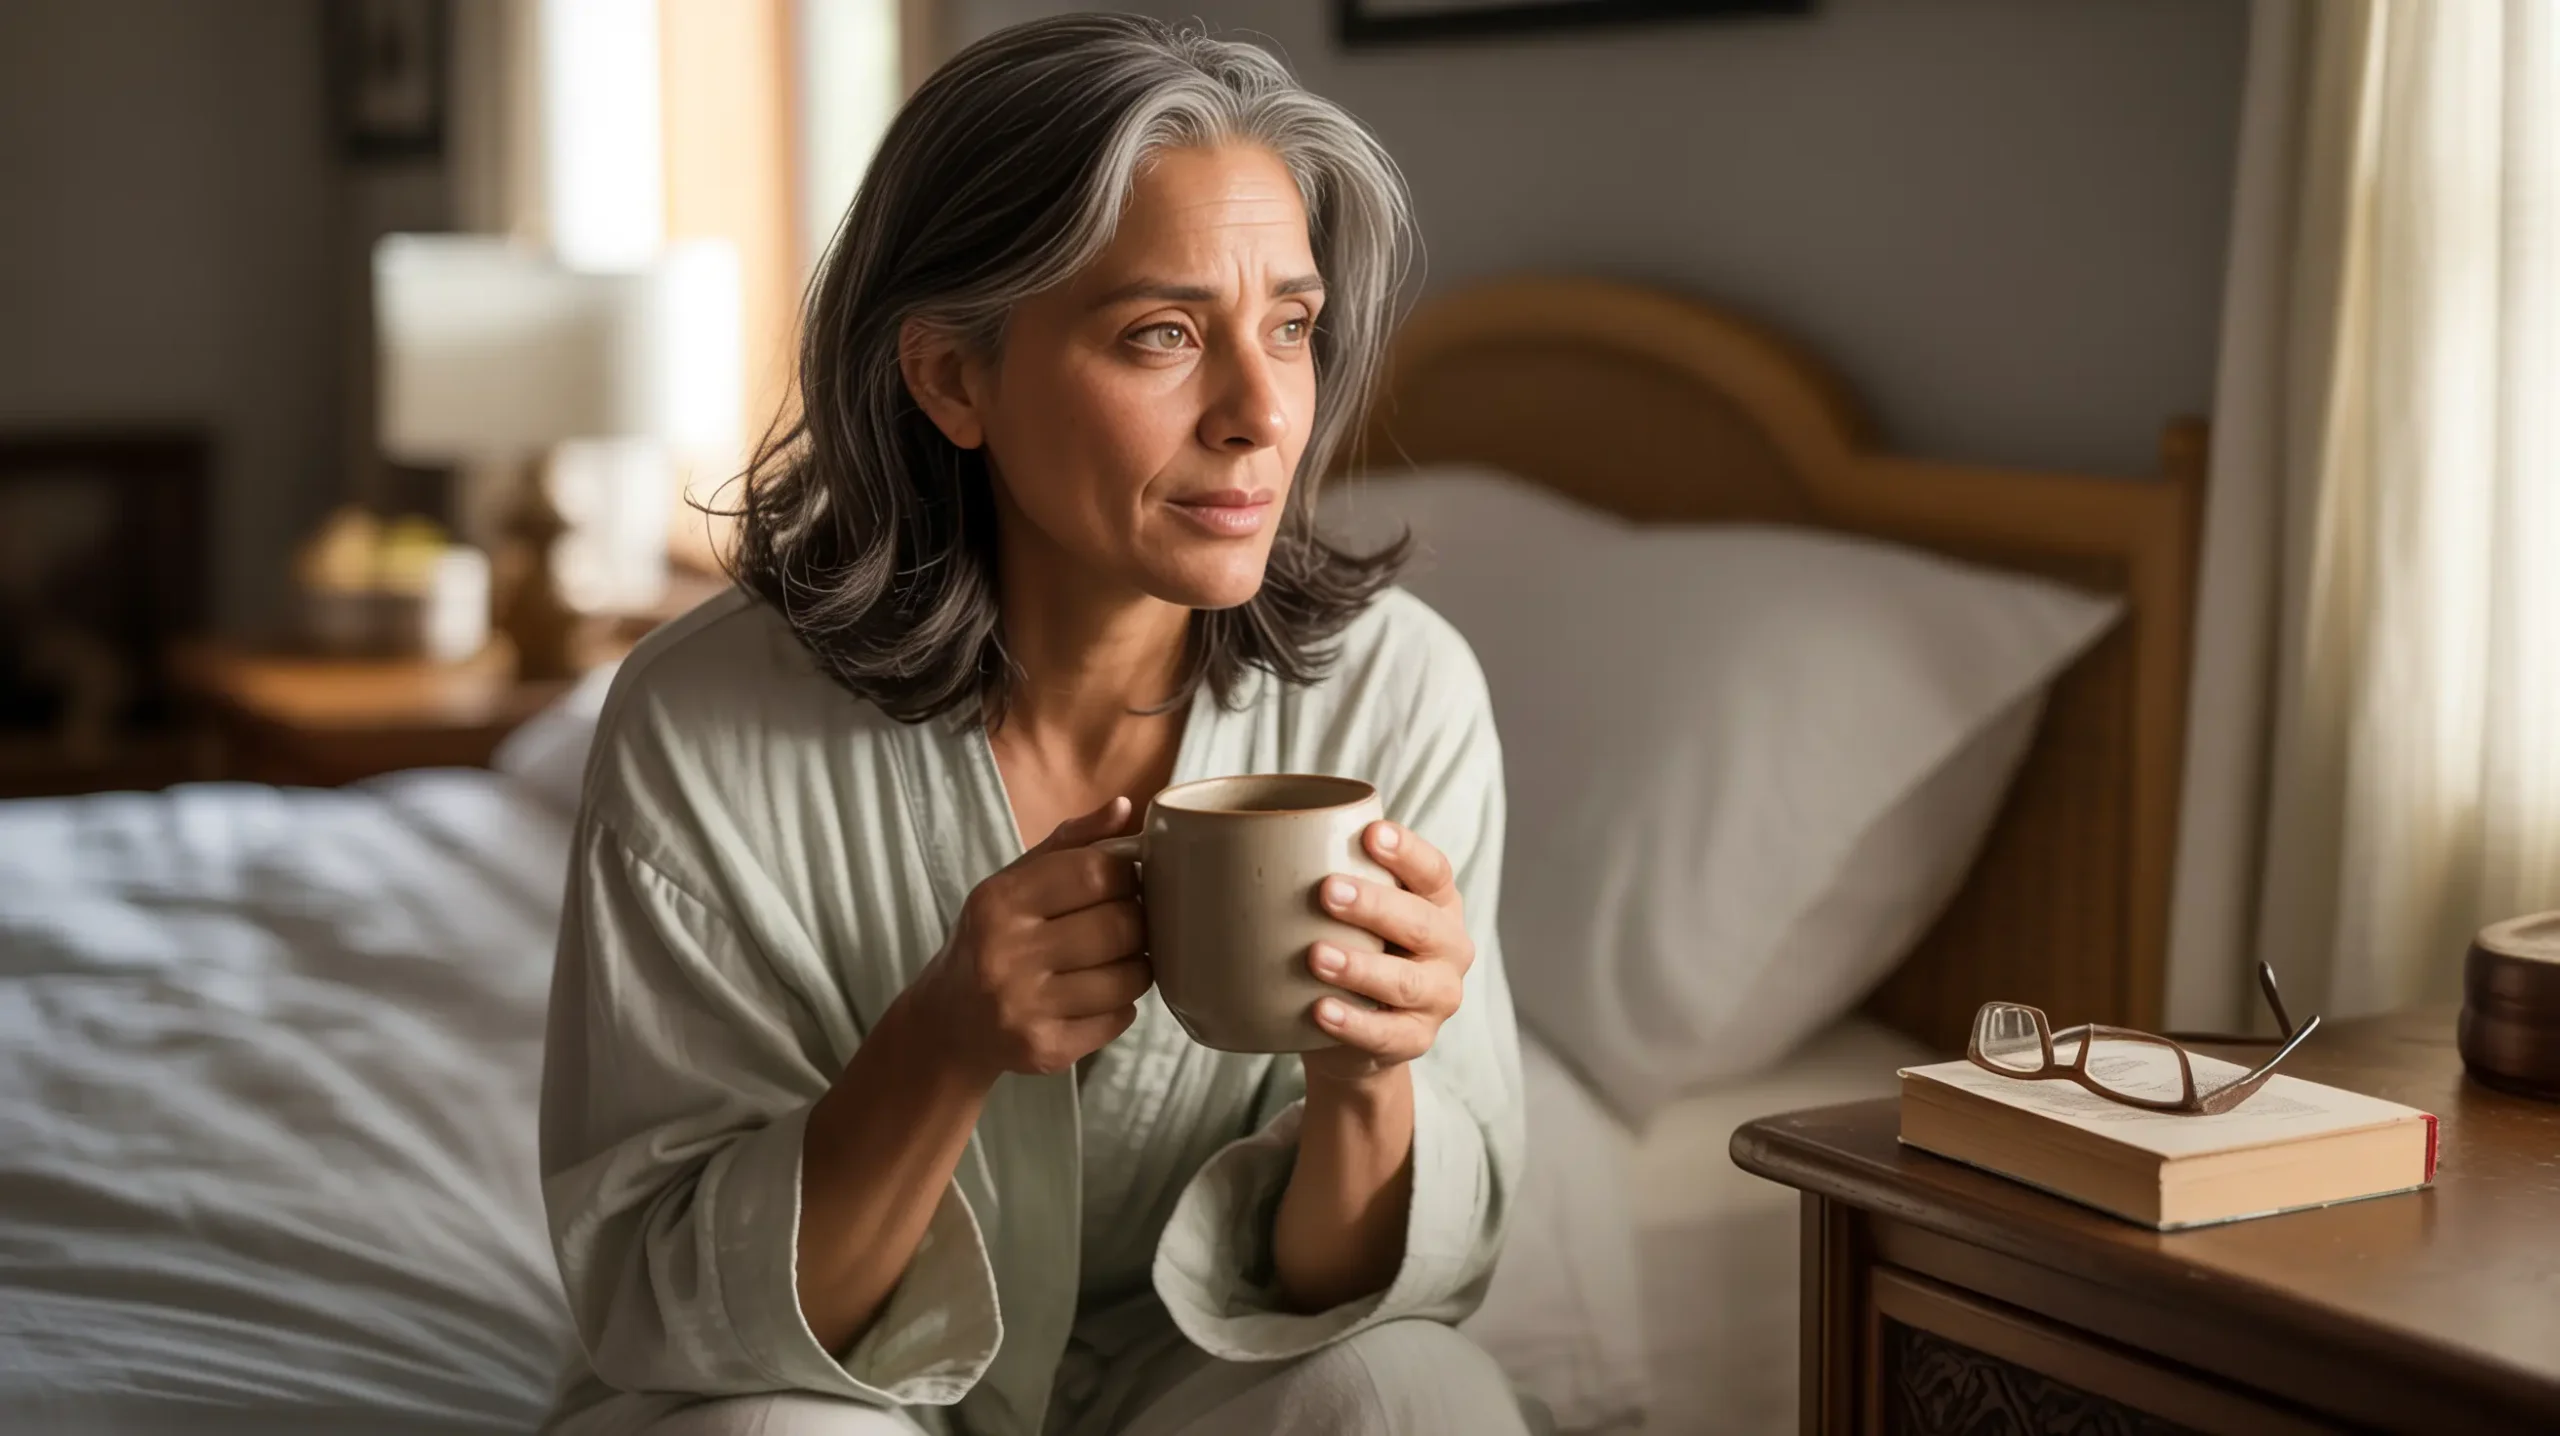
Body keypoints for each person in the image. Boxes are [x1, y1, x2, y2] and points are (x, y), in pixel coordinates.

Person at [537, 15, 1528, 1435]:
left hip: (1201, 1391)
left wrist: (1369, 1075)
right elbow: (682, 1305)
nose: (1261, 412)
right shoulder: (704, 721)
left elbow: (1350, 1295)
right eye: (1164, 335)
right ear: (951, 378)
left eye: (1293, 326)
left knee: (1414, 1391)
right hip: (831, 1376)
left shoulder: (1402, 696)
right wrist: (939, 1045)